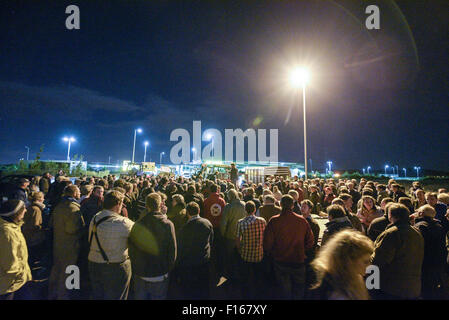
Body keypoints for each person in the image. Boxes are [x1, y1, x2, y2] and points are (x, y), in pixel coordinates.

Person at [263, 195, 314, 299]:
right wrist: (302, 251)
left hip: (280, 261)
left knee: (284, 291)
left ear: (280, 204)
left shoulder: (274, 221)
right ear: (292, 205)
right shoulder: (302, 221)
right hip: (298, 261)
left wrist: (272, 253)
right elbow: (310, 241)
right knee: (298, 290)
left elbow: (267, 243)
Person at [128, 192, 176, 300]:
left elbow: (131, 249)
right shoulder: (168, 224)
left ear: (146, 206)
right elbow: (172, 250)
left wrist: (136, 268)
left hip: (141, 273)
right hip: (160, 273)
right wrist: (167, 268)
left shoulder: (138, 224)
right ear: (160, 205)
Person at [371, 203, 424, 299]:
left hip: (392, 287)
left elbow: (378, 260)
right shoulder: (416, 232)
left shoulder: (392, 234)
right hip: (413, 286)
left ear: (390, 216)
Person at [87, 190, 134, 300]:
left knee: (98, 295)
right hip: (115, 266)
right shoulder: (124, 223)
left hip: (94, 263)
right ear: (118, 204)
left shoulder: (95, 218)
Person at [310, 229, 374, 300]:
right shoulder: (335, 291)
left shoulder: (354, 279)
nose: (369, 266)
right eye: (365, 262)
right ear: (348, 262)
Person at [48, 185, 84, 300]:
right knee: (69, 271)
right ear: (73, 193)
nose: (80, 194)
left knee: (57, 269)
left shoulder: (59, 206)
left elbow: (51, 224)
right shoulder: (73, 208)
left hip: (58, 243)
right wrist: (82, 228)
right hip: (70, 245)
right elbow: (71, 229)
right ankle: (64, 295)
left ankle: (52, 293)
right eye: (78, 192)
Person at [175, 202, 214, 299]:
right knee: (203, 287)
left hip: (189, 264)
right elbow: (211, 240)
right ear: (199, 211)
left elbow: (180, 247)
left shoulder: (184, 229)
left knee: (190, 290)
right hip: (204, 260)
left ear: (187, 213)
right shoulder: (207, 223)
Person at [0, 200, 32, 300]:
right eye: (23, 209)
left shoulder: (13, 227)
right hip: (10, 284)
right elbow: (9, 263)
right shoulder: (7, 233)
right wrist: (22, 274)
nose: (26, 211)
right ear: (16, 213)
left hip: (13, 282)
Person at [413, 205, 447, 299]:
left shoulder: (420, 227)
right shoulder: (439, 226)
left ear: (421, 213)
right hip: (437, 262)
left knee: (425, 289)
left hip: (424, 262)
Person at [235, 201, 267, 299]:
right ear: (254, 210)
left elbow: (237, 239)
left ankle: (246, 295)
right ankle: (259, 293)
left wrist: (239, 249)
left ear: (245, 210)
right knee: (258, 276)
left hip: (246, 253)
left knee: (246, 277)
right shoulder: (262, 221)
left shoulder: (240, 222)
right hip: (259, 253)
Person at [219, 189, 246, 281]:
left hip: (230, 235)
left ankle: (230, 275)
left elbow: (224, 223)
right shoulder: (243, 205)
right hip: (242, 235)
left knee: (230, 257)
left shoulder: (228, 207)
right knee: (240, 256)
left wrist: (223, 234)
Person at [22, 191, 47, 266]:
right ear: (39, 199)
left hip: (29, 235)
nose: (44, 199)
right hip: (34, 237)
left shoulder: (30, 207)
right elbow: (35, 224)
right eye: (42, 198)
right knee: (34, 257)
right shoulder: (36, 209)